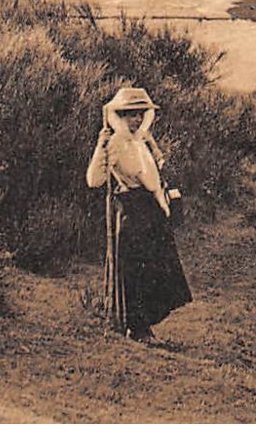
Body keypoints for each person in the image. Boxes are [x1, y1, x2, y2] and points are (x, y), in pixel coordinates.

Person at [86, 86, 192, 341]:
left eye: (140, 114)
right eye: (131, 114)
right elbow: (94, 180)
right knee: (135, 268)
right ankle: (135, 326)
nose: (136, 119)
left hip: (150, 209)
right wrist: (100, 147)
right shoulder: (115, 143)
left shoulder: (140, 141)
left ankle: (146, 323)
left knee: (156, 267)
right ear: (120, 115)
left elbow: (154, 177)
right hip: (131, 210)